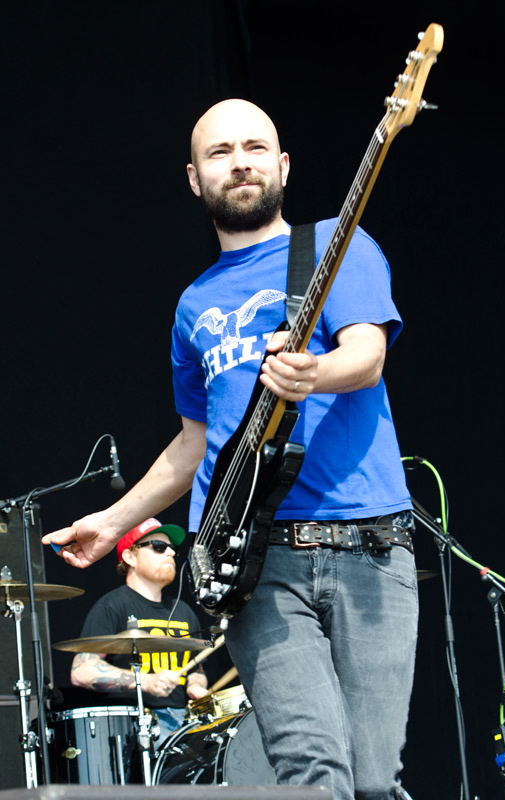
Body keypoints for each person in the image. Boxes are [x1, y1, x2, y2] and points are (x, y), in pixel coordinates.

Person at [44, 98, 418, 799]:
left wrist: (313, 372)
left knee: (374, 780)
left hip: (369, 548)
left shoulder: (339, 244)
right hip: (254, 563)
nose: (239, 161)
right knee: (311, 770)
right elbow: (193, 442)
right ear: (195, 178)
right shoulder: (194, 304)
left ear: (281, 165)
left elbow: (366, 356)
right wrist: (115, 520)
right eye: (220, 152)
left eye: (254, 147)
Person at [70, 518, 209, 746]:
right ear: (130, 556)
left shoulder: (184, 611)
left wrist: (195, 686)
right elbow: (82, 671)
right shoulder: (112, 606)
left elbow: (197, 669)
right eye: (158, 547)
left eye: (172, 549)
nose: (171, 554)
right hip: (133, 726)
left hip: (183, 722)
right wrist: (145, 682)